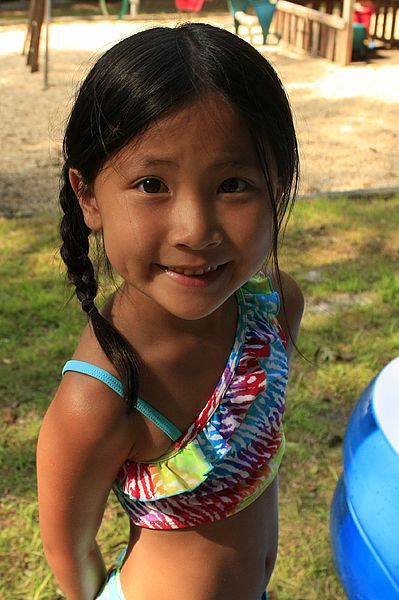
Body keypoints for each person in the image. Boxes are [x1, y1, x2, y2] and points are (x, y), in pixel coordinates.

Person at [36, 23, 304, 600]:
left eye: (233, 184)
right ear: (88, 195)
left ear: (276, 186)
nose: (196, 230)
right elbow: (70, 550)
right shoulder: (99, 397)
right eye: (152, 183)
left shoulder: (275, 310)